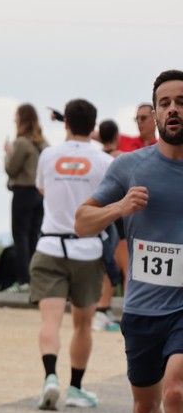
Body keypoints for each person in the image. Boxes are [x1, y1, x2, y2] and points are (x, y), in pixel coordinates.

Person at [75, 69, 183, 413]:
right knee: (145, 406)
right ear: (154, 113)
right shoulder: (129, 168)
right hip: (142, 308)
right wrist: (119, 209)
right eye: (165, 102)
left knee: (176, 392)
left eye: (181, 101)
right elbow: (82, 222)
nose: (174, 109)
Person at [31, 98, 112, 411]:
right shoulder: (103, 160)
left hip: (50, 245)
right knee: (82, 324)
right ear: (93, 126)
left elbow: (42, 190)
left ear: (65, 123)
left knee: (50, 320)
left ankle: (50, 377)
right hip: (87, 249)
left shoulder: (48, 155)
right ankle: (76, 387)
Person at [3, 104, 48, 291]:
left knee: (20, 237)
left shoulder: (21, 143)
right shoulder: (43, 143)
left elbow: (11, 169)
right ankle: (36, 279)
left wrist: (8, 153)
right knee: (34, 236)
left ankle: (23, 280)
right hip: (39, 193)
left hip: (23, 192)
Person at [92, 119, 127, 331]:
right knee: (127, 267)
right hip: (119, 218)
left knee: (107, 265)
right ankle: (123, 309)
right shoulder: (120, 157)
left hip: (101, 215)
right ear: (117, 136)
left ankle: (101, 308)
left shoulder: (96, 158)